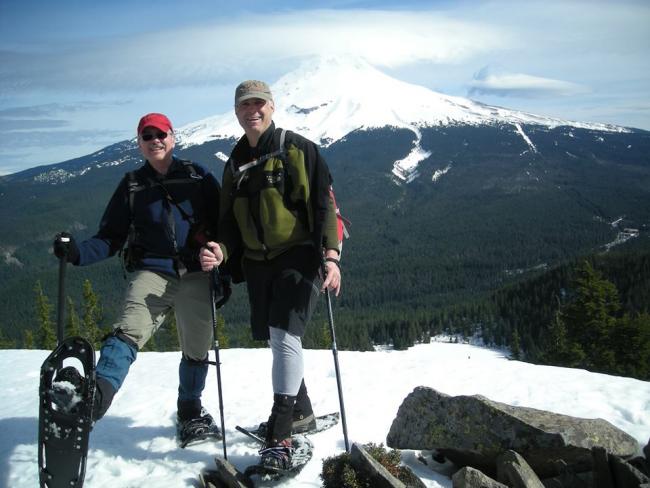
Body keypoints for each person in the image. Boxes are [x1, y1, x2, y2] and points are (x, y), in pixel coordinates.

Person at [52, 112, 224, 444]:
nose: (155, 140)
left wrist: (221, 256)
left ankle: (190, 409)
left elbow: (223, 224)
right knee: (128, 331)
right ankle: (95, 399)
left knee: (197, 348)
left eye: (161, 134)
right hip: (153, 271)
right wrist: (76, 253)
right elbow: (109, 237)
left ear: (173, 138)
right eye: (147, 136)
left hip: (195, 273)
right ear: (140, 144)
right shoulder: (132, 185)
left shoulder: (198, 177)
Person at [199, 80, 342, 469]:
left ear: (273, 107)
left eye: (259, 103)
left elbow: (325, 206)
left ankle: (280, 434)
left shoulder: (298, 149)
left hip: (299, 257)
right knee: (277, 340)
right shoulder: (234, 163)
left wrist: (331, 257)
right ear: (236, 112)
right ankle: (301, 411)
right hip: (258, 265)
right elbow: (228, 223)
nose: (252, 111)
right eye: (245, 106)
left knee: (283, 335)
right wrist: (221, 250)